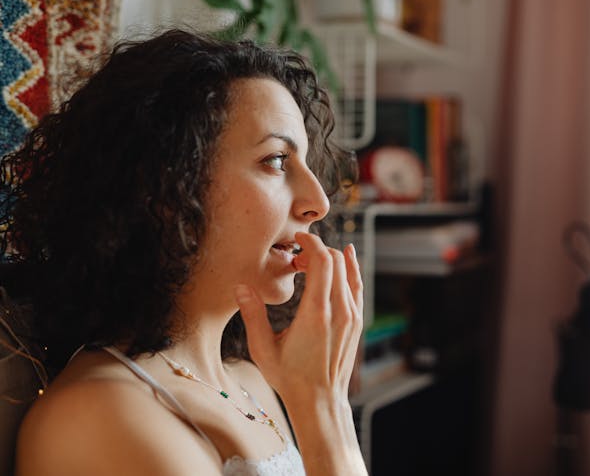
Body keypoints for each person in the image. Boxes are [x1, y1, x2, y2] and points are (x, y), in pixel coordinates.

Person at [0, 28, 367, 476]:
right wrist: (326, 412)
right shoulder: (101, 415)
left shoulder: (250, 381)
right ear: (168, 186)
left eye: (307, 163)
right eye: (275, 161)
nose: (319, 202)